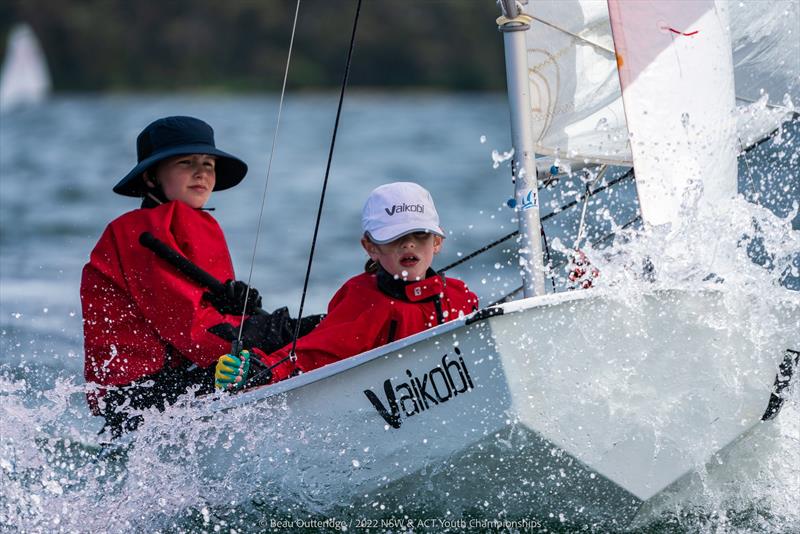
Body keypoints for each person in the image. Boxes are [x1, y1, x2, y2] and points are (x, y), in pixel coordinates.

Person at [81, 116, 317, 438]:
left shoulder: (184, 221)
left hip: (175, 377)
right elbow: (189, 327)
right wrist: (259, 341)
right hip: (138, 398)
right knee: (287, 339)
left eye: (208, 163)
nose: (202, 172)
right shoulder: (138, 230)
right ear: (151, 177)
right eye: (185, 162)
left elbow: (199, 317)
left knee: (290, 336)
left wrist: (235, 307)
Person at [214, 181, 479, 391]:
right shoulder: (365, 299)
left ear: (437, 242)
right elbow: (314, 354)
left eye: (419, 235)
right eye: (394, 237)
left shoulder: (460, 295)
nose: (408, 244)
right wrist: (260, 371)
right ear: (370, 247)